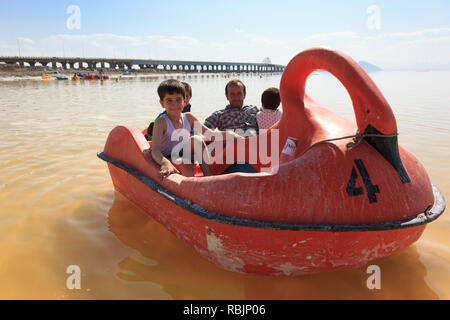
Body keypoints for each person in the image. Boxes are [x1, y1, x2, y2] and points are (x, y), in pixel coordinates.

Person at [151, 79, 240, 180]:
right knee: (185, 161)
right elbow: (155, 150)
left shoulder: (189, 117)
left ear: (185, 101)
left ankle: (209, 178)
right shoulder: (161, 122)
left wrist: (232, 135)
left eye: (178, 99)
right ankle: (190, 185)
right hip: (168, 158)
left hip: (185, 154)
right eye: (169, 100)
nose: (174, 104)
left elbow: (210, 135)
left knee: (197, 139)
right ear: (162, 103)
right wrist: (165, 163)